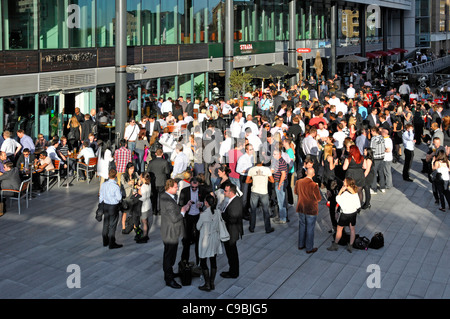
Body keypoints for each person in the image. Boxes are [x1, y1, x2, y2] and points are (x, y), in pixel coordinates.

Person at [160, 179, 193, 289]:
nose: (177, 188)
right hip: (170, 232)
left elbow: (173, 210)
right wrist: (183, 212)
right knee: (169, 256)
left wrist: (183, 207)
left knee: (169, 255)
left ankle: (169, 274)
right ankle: (169, 279)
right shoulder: (168, 200)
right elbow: (174, 218)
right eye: (175, 187)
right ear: (169, 187)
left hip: (168, 230)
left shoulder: (166, 196)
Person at [178, 177, 207, 269]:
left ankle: (199, 262)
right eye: (192, 187)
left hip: (198, 216)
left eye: (196, 187)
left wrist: (201, 204)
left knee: (199, 239)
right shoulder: (184, 191)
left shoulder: (202, 190)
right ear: (190, 184)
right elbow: (180, 204)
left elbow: (206, 201)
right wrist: (187, 204)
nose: (194, 189)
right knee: (186, 239)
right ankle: (184, 261)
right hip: (188, 217)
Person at [327, 177, 361, 253]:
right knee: (352, 229)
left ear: (347, 184)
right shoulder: (355, 193)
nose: (343, 181)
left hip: (345, 214)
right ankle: (350, 245)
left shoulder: (345, 193)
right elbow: (358, 205)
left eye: (344, 181)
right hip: (353, 213)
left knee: (339, 229)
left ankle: (335, 244)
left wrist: (341, 191)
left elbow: (337, 199)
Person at [196, 194, 222, 291]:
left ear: (206, 203)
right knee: (213, 261)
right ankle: (212, 283)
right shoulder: (218, 212)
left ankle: (207, 284)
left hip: (205, 240)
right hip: (215, 238)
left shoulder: (203, 215)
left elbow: (198, 227)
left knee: (203, 261)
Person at [294, 167, 322, 254]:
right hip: (311, 209)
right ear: (313, 174)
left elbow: (296, 192)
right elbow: (319, 198)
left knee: (302, 225)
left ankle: (301, 244)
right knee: (310, 228)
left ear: (306, 173)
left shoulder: (298, 182)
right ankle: (309, 247)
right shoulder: (314, 185)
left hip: (301, 207)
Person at [246, 156, 275, 234]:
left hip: (254, 191)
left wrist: (253, 179)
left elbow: (247, 181)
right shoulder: (267, 170)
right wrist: (266, 178)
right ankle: (267, 228)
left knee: (253, 210)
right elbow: (272, 180)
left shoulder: (251, 170)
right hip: (264, 192)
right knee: (266, 210)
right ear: (262, 161)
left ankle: (252, 228)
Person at [220, 183, 244, 279]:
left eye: (225, 191)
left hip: (231, 232)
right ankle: (232, 270)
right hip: (231, 231)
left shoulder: (235, 203)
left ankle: (233, 272)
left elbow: (232, 219)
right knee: (231, 252)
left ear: (231, 192)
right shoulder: (234, 200)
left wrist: (222, 217)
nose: (224, 192)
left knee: (232, 253)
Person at [98, 169, 123, 249]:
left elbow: (101, 196)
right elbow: (119, 198)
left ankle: (105, 241)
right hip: (113, 206)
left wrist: (101, 205)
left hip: (106, 205)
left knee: (106, 224)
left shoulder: (104, 184)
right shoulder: (115, 186)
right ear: (115, 175)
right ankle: (112, 243)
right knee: (112, 225)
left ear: (108, 175)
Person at [146, 148, 171, 215]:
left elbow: (148, 171)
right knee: (161, 197)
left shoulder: (151, 162)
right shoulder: (165, 162)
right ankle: (160, 210)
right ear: (162, 154)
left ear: (155, 154)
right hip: (162, 181)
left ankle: (154, 210)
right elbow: (167, 172)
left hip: (154, 182)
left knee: (154, 197)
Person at [135, 172, 152, 243]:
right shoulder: (149, 184)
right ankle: (145, 234)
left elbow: (143, 197)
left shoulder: (144, 187)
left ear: (144, 178)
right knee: (146, 221)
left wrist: (137, 197)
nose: (140, 178)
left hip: (144, 206)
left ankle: (145, 236)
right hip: (148, 204)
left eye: (141, 177)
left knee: (144, 221)